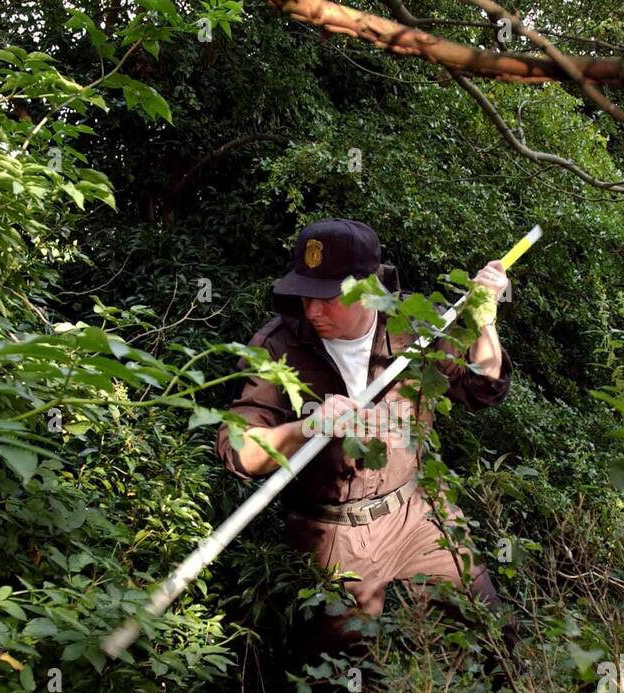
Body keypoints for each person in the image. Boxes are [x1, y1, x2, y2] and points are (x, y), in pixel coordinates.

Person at [215, 218, 513, 659]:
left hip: (417, 511)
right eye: (305, 294)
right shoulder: (278, 345)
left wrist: (484, 322)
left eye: (329, 298)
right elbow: (238, 450)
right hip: (332, 535)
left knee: (489, 634)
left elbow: (482, 387)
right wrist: (307, 427)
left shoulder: (417, 322)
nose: (313, 311)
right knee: (340, 680)